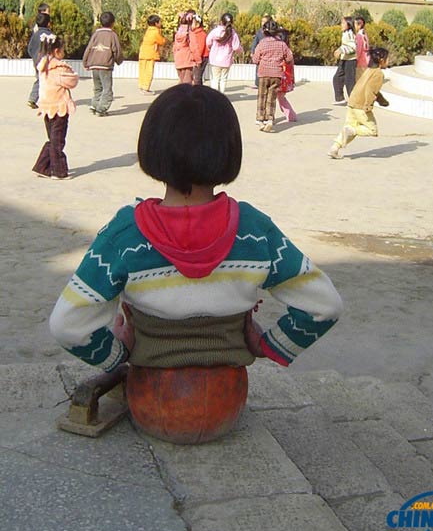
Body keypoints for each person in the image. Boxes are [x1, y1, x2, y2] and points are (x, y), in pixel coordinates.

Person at [48, 84, 342, 384]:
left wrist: (116, 353)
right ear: (229, 150)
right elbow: (325, 306)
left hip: (151, 398)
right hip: (228, 400)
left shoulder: (125, 235)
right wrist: (267, 345)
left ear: (151, 147)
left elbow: (66, 325)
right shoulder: (255, 231)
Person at [328, 46, 389, 159]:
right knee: (371, 130)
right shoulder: (379, 74)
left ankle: (335, 148)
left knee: (348, 127)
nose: (388, 61)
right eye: (387, 58)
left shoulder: (368, 70)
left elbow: (372, 89)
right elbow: (371, 90)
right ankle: (352, 130)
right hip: (361, 105)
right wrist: (368, 106)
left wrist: (382, 101)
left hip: (352, 101)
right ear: (381, 60)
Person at [32, 34, 78, 180]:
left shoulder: (43, 66)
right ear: (57, 51)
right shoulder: (58, 68)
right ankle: (58, 171)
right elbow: (72, 81)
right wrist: (74, 73)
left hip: (46, 107)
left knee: (53, 139)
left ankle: (42, 166)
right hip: (59, 108)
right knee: (58, 141)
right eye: (63, 50)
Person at [252, 19, 294, 132]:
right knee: (272, 97)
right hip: (277, 74)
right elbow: (289, 58)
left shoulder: (262, 44)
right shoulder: (282, 45)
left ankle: (260, 120)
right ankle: (270, 119)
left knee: (262, 97)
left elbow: (255, 60)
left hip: (263, 73)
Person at [83, 11, 123, 116]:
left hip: (94, 65)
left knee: (97, 87)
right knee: (107, 89)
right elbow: (116, 50)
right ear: (113, 23)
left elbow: (89, 48)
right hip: (105, 66)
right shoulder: (112, 35)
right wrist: (119, 60)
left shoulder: (96, 34)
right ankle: (101, 109)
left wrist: (85, 62)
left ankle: (94, 105)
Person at [206, 13, 242, 93]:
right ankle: (222, 96)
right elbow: (236, 47)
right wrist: (240, 51)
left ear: (221, 21)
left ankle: (214, 97)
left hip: (214, 60)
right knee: (223, 79)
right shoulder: (233, 34)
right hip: (226, 60)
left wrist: (210, 48)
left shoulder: (215, 31)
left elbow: (208, 42)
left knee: (215, 79)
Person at [27, 9, 51, 108]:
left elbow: (30, 48)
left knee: (40, 78)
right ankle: (39, 99)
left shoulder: (35, 34)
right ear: (49, 23)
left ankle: (34, 98)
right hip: (47, 61)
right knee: (46, 79)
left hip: (36, 61)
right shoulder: (50, 35)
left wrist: (34, 57)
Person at [138, 14, 166, 95]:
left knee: (142, 70)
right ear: (156, 23)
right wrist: (164, 39)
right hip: (150, 54)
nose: (161, 23)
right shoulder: (155, 31)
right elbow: (161, 41)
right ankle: (146, 88)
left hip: (143, 53)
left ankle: (142, 86)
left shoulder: (148, 30)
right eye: (160, 22)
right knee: (149, 71)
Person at [332, 16, 357, 104]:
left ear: (349, 24)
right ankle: (340, 98)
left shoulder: (350, 34)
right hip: (344, 60)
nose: (341, 25)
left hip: (351, 61)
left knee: (350, 82)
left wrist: (341, 50)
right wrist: (339, 50)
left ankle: (354, 101)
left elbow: (353, 47)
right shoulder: (345, 33)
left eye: (343, 23)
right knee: (337, 78)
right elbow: (345, 46)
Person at [276, 26, 297, 123]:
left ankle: (291, 115)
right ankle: (290, 115)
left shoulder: (282, 51)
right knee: (281, 98)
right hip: (286, 79)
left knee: (279, 98)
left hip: (281, 78)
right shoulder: (288, 51)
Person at [173, 10, 198, 84]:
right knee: (187, 82)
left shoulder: (177, 32)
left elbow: (174, 47)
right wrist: (198, 60)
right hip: (188, 60)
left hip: (178, 59)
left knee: (181, 80)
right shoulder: (190, 33)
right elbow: (194, 47)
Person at [250, 14, 272, 89]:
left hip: (270, 53)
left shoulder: (272, 31)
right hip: (260, 52)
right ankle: (258, 83)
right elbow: (255, 42)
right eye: (261, 21)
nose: (262, 23)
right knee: (258, 68)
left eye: (264, 21)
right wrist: (252, 51)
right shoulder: (259, 31)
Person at [189, 14, 209, 85]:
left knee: (197, 77)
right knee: (198, 77)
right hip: (198, 57)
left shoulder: (200, 34)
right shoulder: (194, 33)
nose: (190, 24)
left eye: (192, 22)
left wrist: (197, 60)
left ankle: (198, 93)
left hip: (201, 58)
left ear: (198, 24)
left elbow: (199, 48)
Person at [354, 16, 370, 81]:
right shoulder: (364, 34)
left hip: (361, 61)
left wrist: (356, 60)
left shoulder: (359, 36)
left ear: (359, 25)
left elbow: (358, 50)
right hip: (367, 60)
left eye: (355, 24)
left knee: (359, 81)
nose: (354, 26)